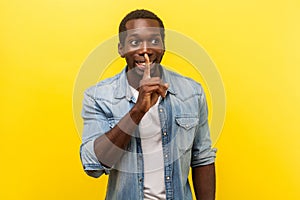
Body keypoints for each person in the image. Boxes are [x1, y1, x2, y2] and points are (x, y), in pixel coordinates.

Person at [80, 9, 217, 200]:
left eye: (154, 41)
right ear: (121, 49)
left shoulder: (192, 92)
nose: (146, 50)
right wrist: (138, 110)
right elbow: (93, 166)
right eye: (134, 42)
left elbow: (202, 159)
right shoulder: (98, 97)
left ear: (163, 46)